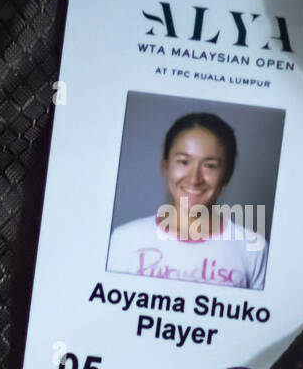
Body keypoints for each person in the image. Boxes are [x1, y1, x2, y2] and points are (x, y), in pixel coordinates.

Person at [107, 111, 268, 290]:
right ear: (165, 165)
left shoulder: (253, 248)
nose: (194, 179)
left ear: (227, 174)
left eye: (210, 165)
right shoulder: (125, 240)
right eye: (183, 162)